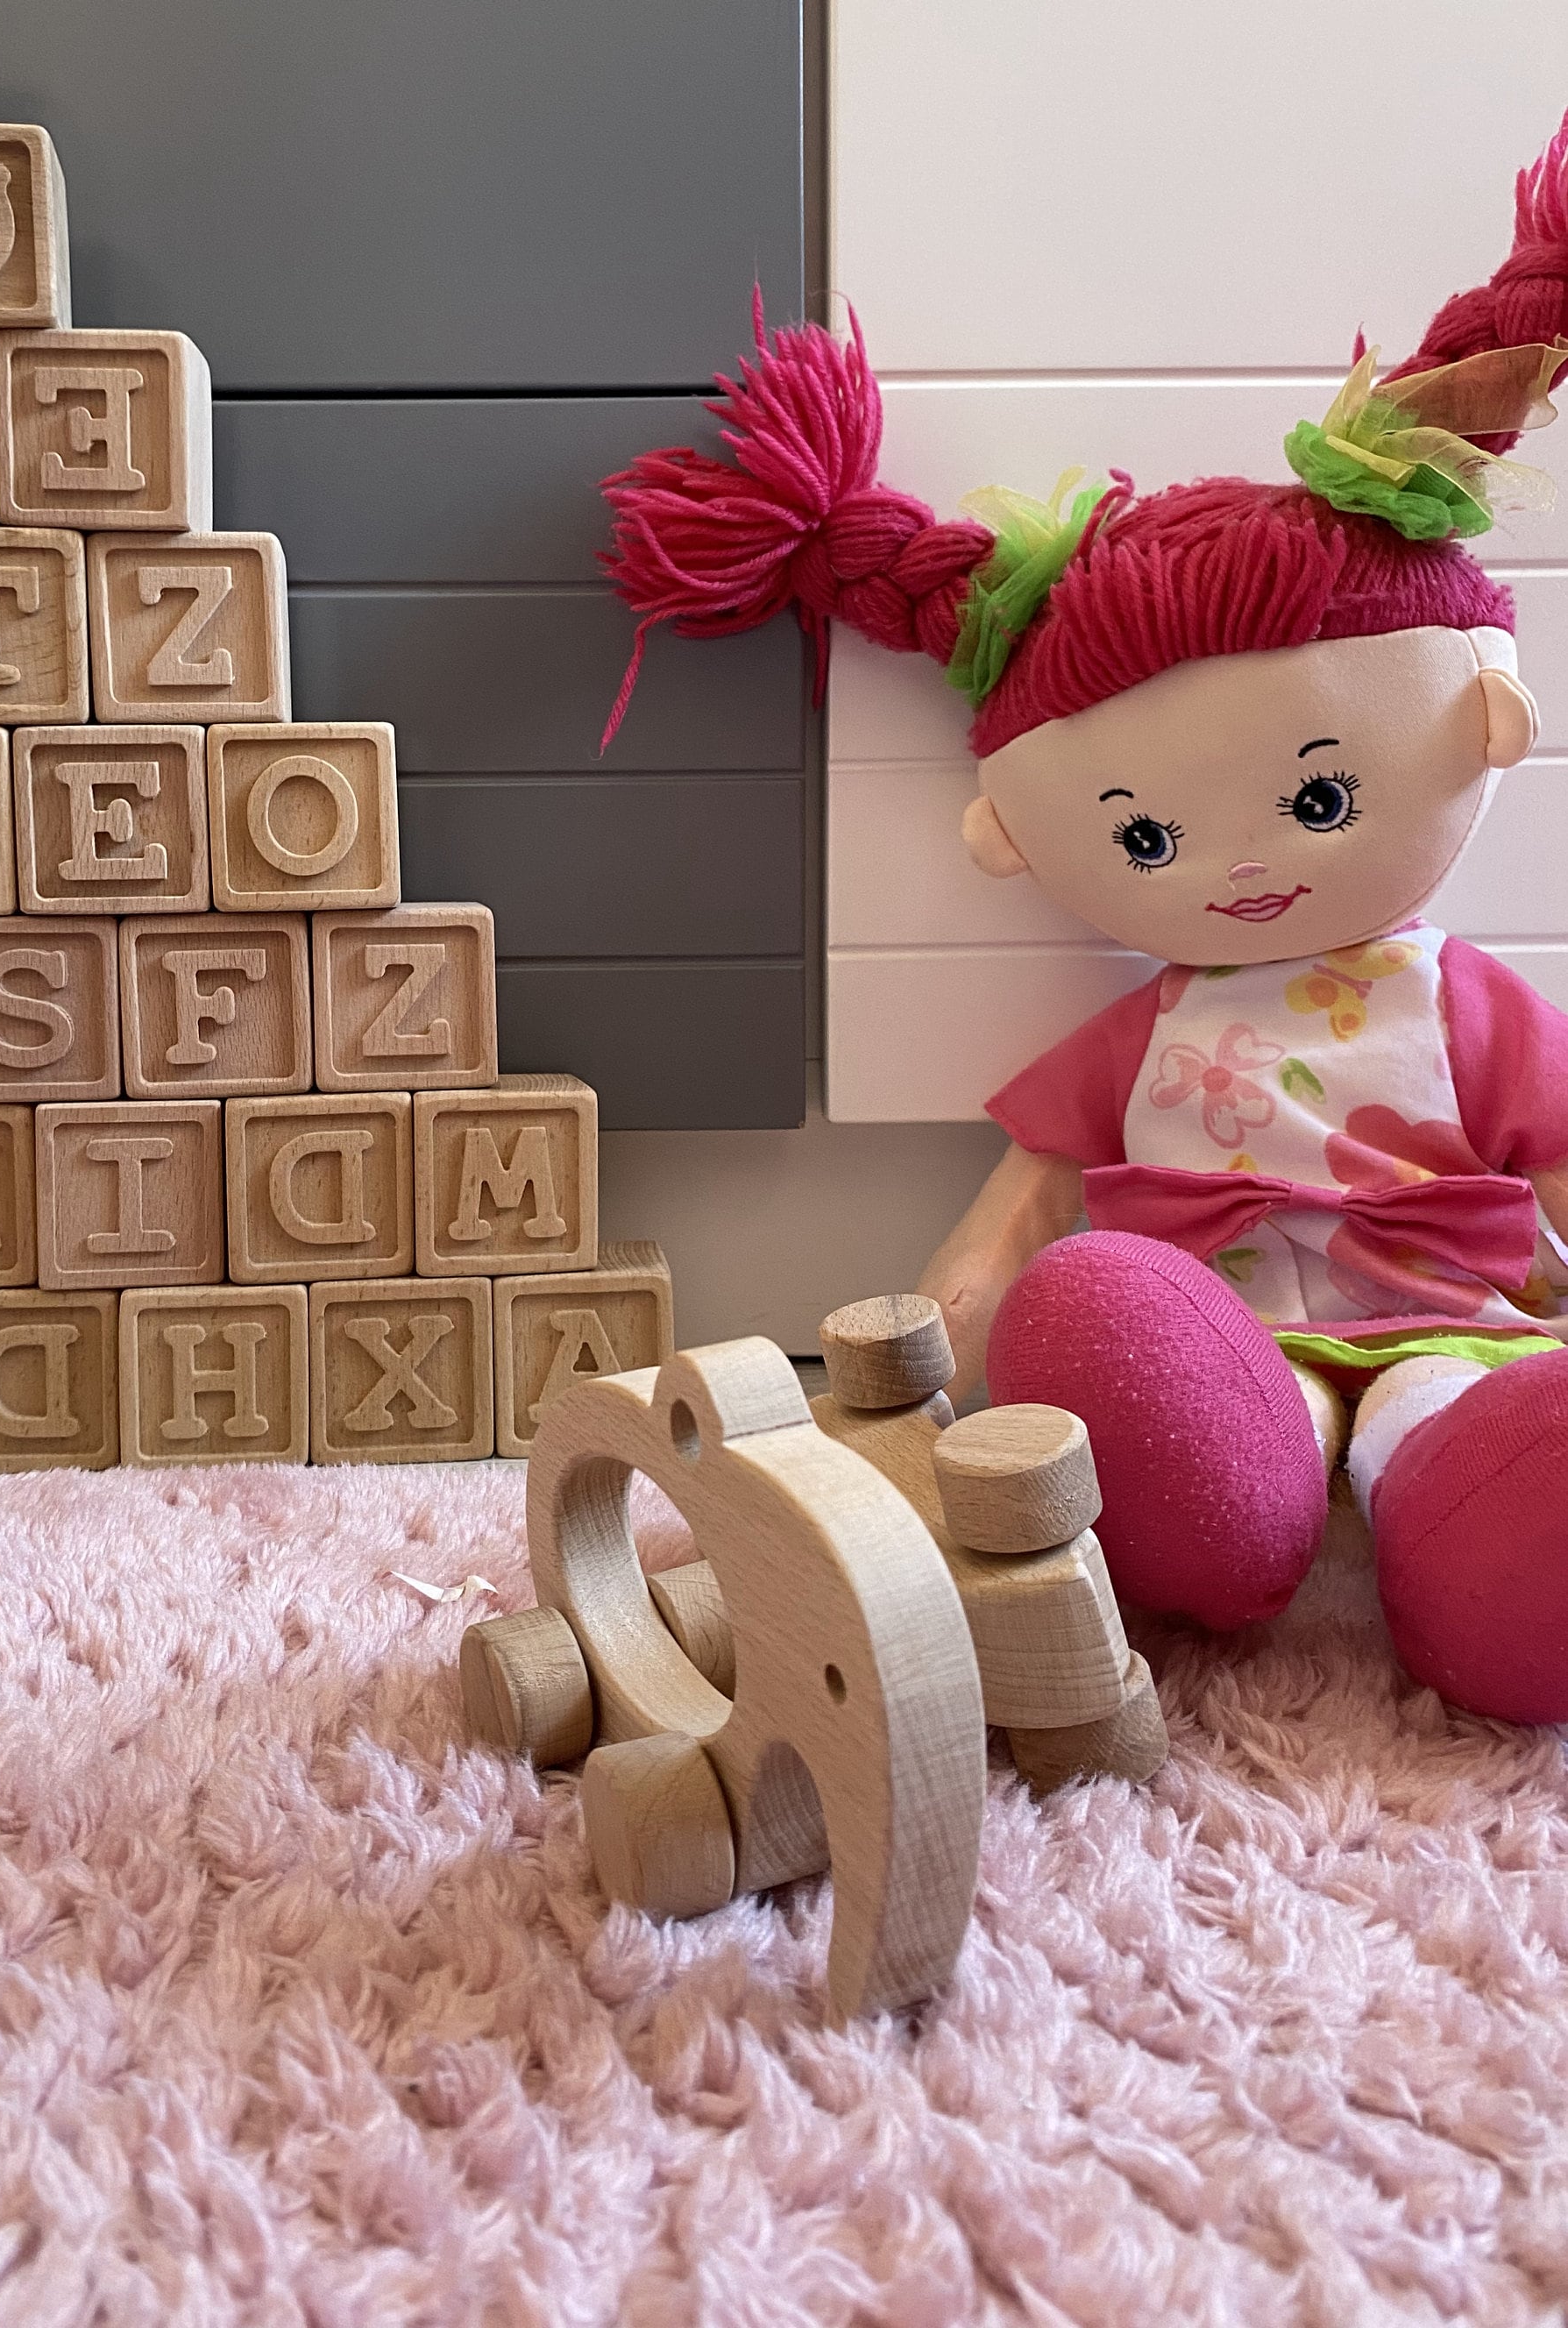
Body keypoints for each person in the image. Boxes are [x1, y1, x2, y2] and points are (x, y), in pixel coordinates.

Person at [599, 115, 1568, 1722]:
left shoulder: (1468, 1010)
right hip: (1214, 1338)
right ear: (1017, 835)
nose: (1241, 869)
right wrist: (916, 1363)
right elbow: (1016, 1219)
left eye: (1321, 798)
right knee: (1102, 1316)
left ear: (1481, 722)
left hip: (1442, 1329)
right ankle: (1205, 1514)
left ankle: (1499, 1544)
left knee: (1457, 1434)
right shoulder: (1140, 1036)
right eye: (1148, 836)